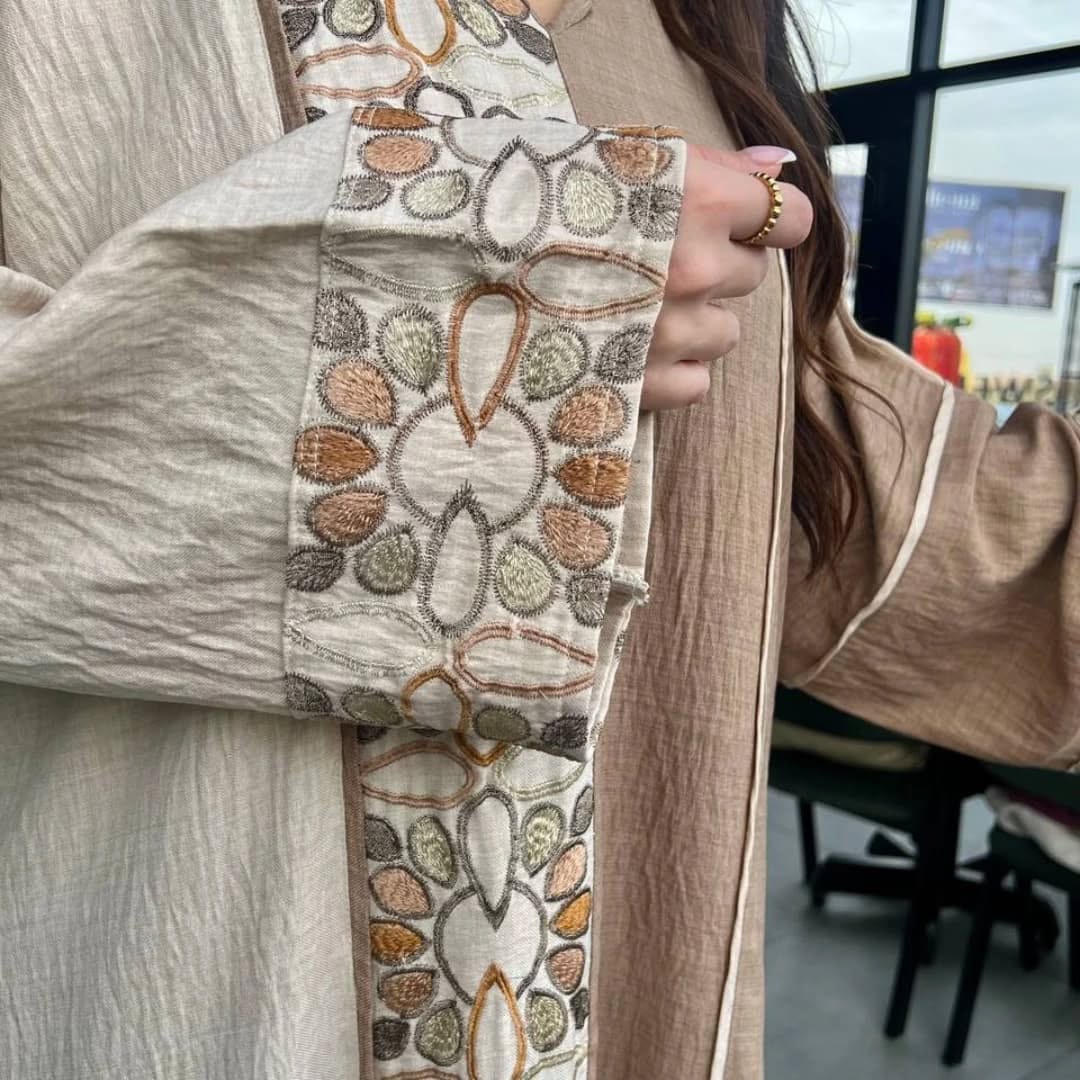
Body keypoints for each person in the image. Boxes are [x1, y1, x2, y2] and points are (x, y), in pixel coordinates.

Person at [0, 3, 1075, 1080]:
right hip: (168, 986)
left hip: (621, 998)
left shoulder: (689, 32)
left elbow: (875, 499)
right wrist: (430, 308)